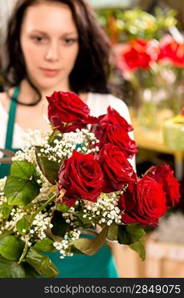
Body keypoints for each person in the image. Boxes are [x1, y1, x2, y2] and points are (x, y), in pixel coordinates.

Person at [0, 0, 135, 278]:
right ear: (17, 39)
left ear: (81, 44)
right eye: (39, 38)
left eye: (68, 40)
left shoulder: (109, 112)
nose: (52, 55)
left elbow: (123, 232)